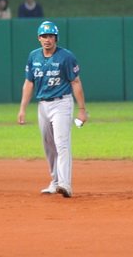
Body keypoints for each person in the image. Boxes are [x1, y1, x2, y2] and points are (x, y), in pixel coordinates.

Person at [17, 21, 88, 198]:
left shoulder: (66, 57)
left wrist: (82, 109)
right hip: (43, 105)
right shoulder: (34, 56)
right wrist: (23, 108)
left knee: (61, 143)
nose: (47, 39)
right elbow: (29, 83)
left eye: (50, 36)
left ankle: (65, 184)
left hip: (62, 103)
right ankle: (54, 181)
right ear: (39, 38)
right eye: (44, 36)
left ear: (55, 38)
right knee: (49, 146)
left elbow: (76, 82)